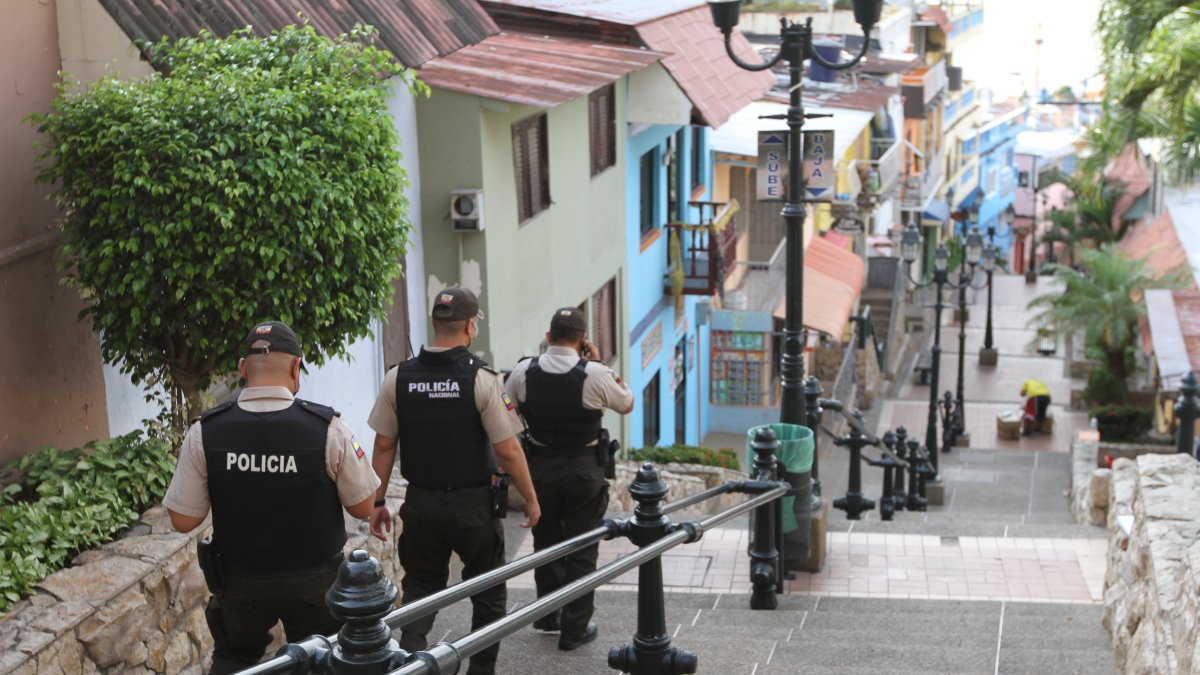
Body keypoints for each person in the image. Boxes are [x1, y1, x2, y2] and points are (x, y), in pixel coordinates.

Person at [163, 321, 379, 674]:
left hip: (240, 582)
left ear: (243, 369)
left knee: (235, 660)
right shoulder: (327, 427)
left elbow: (182, 520)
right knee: (323, 660)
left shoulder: (206, 431)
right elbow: (363, 506)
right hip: (316, 584)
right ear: (296, 367)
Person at [367, 287, 540, 675]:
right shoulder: (481, 379)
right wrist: (530, 498)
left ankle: (409, 664)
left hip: (422, 505)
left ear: (434, 323)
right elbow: (509, 452)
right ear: (471, 325)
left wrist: (377, 502)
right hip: (473, 507)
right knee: (489, 594)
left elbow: (383, 446)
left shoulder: (398, 378)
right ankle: (480, 670)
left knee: (421, 590)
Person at [504, 307, 633, 652]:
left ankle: (548, 615)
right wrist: (601, 363)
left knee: (545, 541)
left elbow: (505, 412)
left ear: (548, 337)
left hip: (541, 468)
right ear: (582, 339)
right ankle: (573, 629)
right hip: (583, 470)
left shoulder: (522, 371)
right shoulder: (595, 373)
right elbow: (627, 403)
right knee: (582, 548)